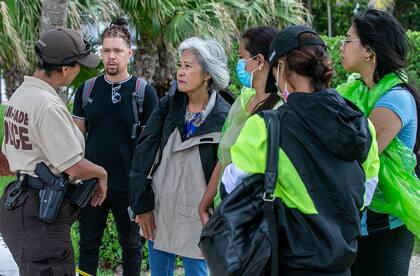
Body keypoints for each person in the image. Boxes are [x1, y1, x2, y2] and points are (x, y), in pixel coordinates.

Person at [221, 25, 379, 275]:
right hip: (341, 265)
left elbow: (232, 188)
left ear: (281, 67)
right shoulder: (362, 125)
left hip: (288, 264)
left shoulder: (266, 126)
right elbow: (365, 193)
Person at [0, 28, 107, 275]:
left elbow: (7, 156)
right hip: (41, 219)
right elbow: (72, 165)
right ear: (66, 68)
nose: (81, 70)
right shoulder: (46, 105)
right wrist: (101, 174)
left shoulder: (21, 95)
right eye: (79, 65)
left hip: (21, 206)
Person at [129, 37, 230, 276]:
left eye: (188, 66)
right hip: (160, 214)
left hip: (199, 220)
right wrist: (142, 205)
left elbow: (228, 175)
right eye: (180, 65)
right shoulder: (167, 107)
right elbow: (143, 156)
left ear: (207, 74)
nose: (180, 72)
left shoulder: (225, 118)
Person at [72, 18, 158, 276]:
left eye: (117, 51)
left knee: (132, 246)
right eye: (106, 50)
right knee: (87, 245)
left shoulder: (144, 92)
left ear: (129, 54)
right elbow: (76, 141)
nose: (111, 56)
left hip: (128, 185)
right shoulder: (86, 90)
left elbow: (153, 146)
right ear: (101, 53)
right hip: (92, 184)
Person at [337, 9, 419, 276]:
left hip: (385, 225)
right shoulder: (358, 90)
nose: (342, 46)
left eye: (348, 40)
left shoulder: (395, 99)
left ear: (369, 51)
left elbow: (358, 153)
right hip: (358, 219)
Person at [198, 26, 281, 225]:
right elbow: (223, 157)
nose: (239, 64)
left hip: (253, 220)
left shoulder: (279, 110)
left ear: (259, 61)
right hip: (223, 212)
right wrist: (204, 205)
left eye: (242, 57)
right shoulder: (243, 100)